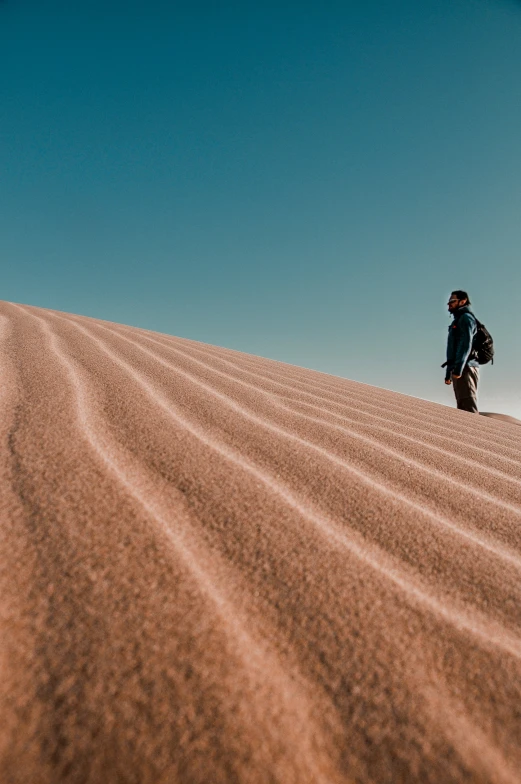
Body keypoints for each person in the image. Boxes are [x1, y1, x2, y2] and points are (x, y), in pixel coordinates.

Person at [444, 290, 480, 413]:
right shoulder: (457, 320)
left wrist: (458, 368)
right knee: (462, 406)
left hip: (466, 367)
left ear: (462, 301)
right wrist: (449, 372)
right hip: (460, 367)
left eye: (452, 301)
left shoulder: (466, 318)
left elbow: (466, 344)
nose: (449, 304)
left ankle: (476, 432)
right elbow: (452, 349)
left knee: (468, 405)